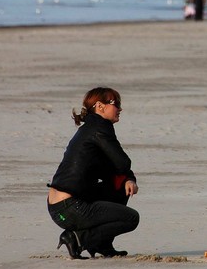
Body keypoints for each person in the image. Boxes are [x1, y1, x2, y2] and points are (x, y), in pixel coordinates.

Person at [47, 87, 140, 259]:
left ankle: (102, 243)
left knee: (120, 185)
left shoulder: (90, 127)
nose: (120, 108)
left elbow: (113, 169)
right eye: (116, 103)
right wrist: (128, 176)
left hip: (58, 206)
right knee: (131, 218)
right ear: (100, 106)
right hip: (70, 208)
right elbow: (122, 162)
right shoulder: (100, 127)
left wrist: (128, 179)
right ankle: (77, 238)